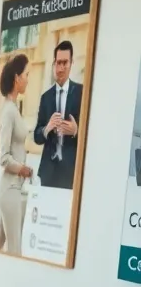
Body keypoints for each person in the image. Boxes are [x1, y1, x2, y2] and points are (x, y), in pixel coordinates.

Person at [0, 54, 33, 254]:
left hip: (9, 188)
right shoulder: (8, 111)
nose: (28, 79)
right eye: (27, 74)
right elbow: (3, 157)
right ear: (17, 78)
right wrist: (23, 169)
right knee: (15, 251)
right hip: (9, 189)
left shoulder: (14, 108)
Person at [33, 40, 84, 190]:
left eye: (64, 63)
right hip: (48, 171)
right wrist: (47, 128)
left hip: (70, 171)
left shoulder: (82, 93)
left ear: (71, 63)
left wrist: (76, 130)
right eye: (57, 63)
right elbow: (37, 136)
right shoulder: (45, 97)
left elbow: (91, 133)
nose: (60, 68)